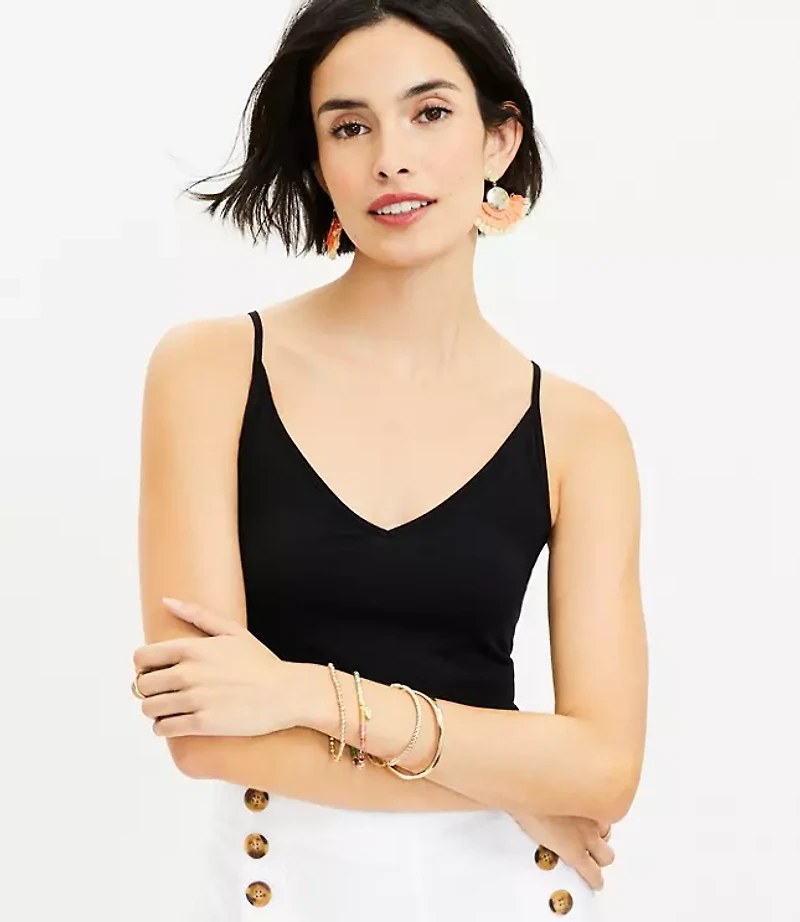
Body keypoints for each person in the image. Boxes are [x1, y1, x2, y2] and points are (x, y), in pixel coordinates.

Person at [133, 1, 648, 919]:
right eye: (350, 126)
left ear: (499, 141)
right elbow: (208, 734)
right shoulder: (209, 371)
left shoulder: (580, 433)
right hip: (279, 884)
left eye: (431, 112)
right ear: (318, 162)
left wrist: (297, 691)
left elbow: (605, 770)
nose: (390, 158)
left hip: (508, 887)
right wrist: (510, 778)